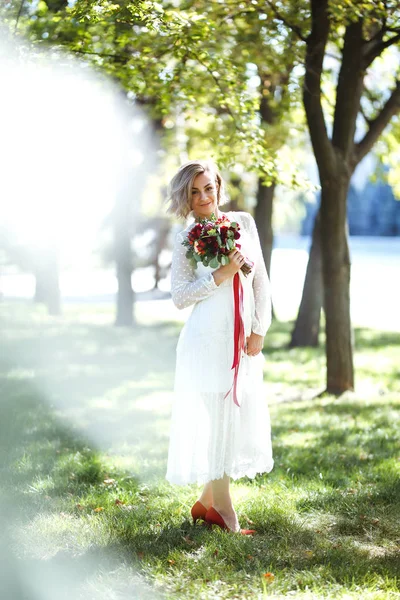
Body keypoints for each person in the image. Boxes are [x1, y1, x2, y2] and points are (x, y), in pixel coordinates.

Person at [166, 159, 273, 534]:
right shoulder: (185, 239)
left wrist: (260, 327)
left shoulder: (242, 223)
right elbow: (179, 297)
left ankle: (206, 502)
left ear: (219, 186)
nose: (203, 197)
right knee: (220, 425)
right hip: (206, 340)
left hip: (241, 338)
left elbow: (261, 281)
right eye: (194, 192)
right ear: (185, 196)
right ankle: (226, 513)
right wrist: (220, 274)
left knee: (233, 420)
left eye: (208, 188)